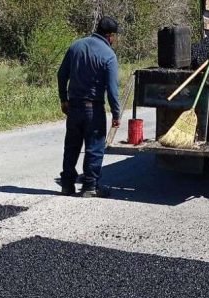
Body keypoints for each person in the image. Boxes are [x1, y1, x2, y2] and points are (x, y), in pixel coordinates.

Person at [57, 17, 122, 198]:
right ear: (109, 36)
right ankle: (90, 187)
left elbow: (61, 75)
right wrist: (116, 113)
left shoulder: (76, 46)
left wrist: (64, 99)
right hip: (93, 109)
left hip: (74, 106)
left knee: (71, 146)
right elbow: (112, 89)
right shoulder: (108, 55)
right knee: (94, 147)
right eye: (114, 36)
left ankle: (67, 185)